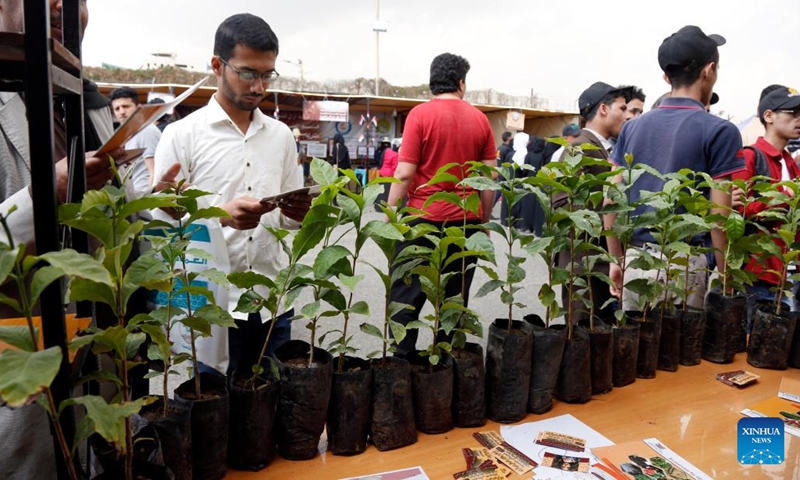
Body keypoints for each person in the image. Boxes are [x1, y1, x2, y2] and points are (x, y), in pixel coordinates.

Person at [153, 13, 310, 375]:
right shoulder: (181, 135)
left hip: (272, 302)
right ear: (216, 65)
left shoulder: (281, 136)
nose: (258, 86)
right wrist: (220, 214)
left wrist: (300, 212)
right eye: (247, 72)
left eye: (267, 74)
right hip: (209, 304)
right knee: (214, 416)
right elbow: (162, 224)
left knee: (271, 407)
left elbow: (286, 221)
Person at [604, 25, 745, 310]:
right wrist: (727, 276)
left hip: (636, 262)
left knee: (638, 351)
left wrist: (616, 261)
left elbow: (611, 198)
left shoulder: (632, 128)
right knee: (682, 353)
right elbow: (719, 215)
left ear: (666, 76)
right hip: (686, 266)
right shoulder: (720, 130)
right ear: (710, 70)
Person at [386, 52, 496, 357]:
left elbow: (405, 172)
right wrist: (484, 223)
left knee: (406, 299)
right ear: (461, 83)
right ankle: (444, 365)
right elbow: (488, 179)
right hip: (465, 226)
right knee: (453, 303)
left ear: (432, 81)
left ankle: (402, 364)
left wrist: (389, 217)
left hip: (421, 221)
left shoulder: (419, 116)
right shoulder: (481, 120)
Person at [555, 82, 633, 324]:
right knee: (584, 334)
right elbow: (562, 204)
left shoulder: (604, 147)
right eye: (622, 108)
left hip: (597, 263)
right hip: (585, 265)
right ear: (603, 109)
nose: (626, 115)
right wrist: (611, 215)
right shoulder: (580, 146)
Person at [732, 86, 800, 330]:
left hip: (785, 275)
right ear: (769, 116)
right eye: (793, 113)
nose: (798, 119)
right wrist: (783, 197)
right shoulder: (750, 156)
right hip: (756, 274)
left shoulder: (791, 165)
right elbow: (737, 213)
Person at [109, 86, 161, 197]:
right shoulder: (129, 134)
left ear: (138, 107)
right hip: (136, 199)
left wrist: (150, 203)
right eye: (117, 109)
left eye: (125, 106)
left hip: (147, 202)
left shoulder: (146, 130)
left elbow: (155, 171)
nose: (121, 112)